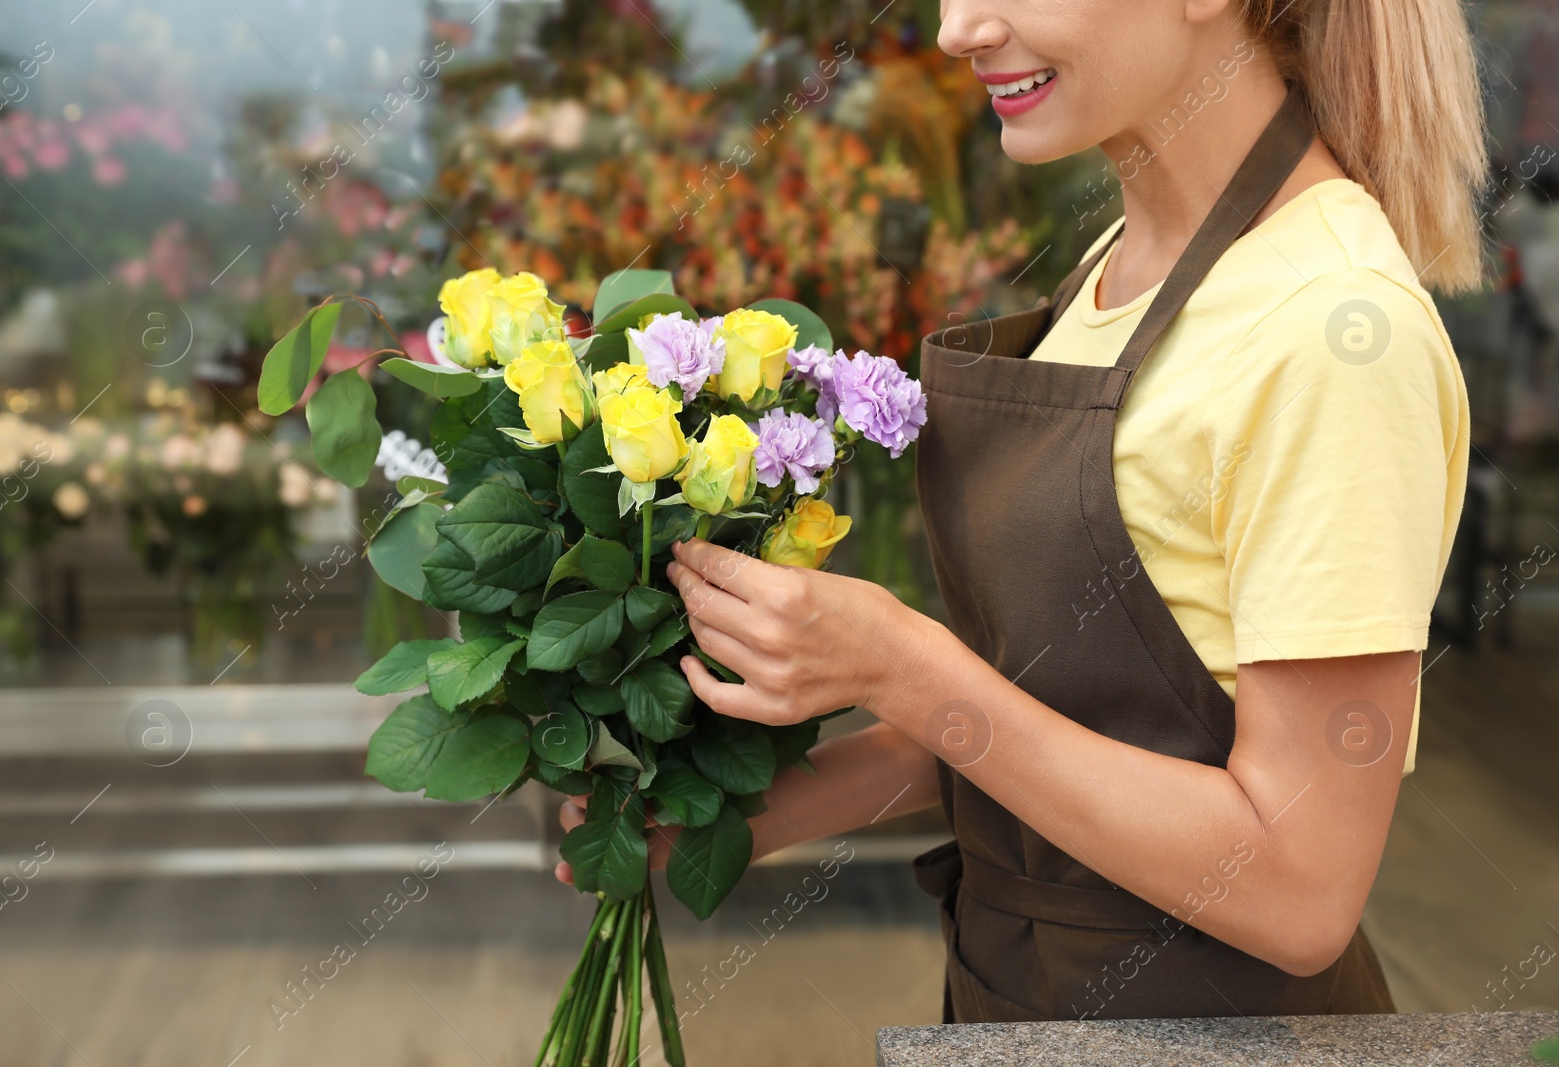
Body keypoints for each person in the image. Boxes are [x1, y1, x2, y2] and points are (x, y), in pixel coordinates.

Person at [556, 0, 1484, 1023]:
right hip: (1020, 996)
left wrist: (899, 664)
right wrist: (721, 816)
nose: (959, 30)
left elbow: (1300, 888)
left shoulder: (1330, 331)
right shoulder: (1115, 269)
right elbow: (1071, 708)